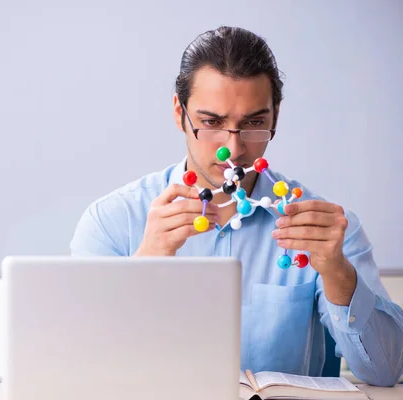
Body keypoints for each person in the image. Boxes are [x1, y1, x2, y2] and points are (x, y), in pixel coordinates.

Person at [70, 26, 403, 386]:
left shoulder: (327, 229)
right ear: (179, 112)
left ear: (276, 115)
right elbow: (76, 367)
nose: (234, 148)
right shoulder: (112, 221)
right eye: (211, 122)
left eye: (254, 123)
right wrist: (144, 266)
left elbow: (386, 372)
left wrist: (337, 272)